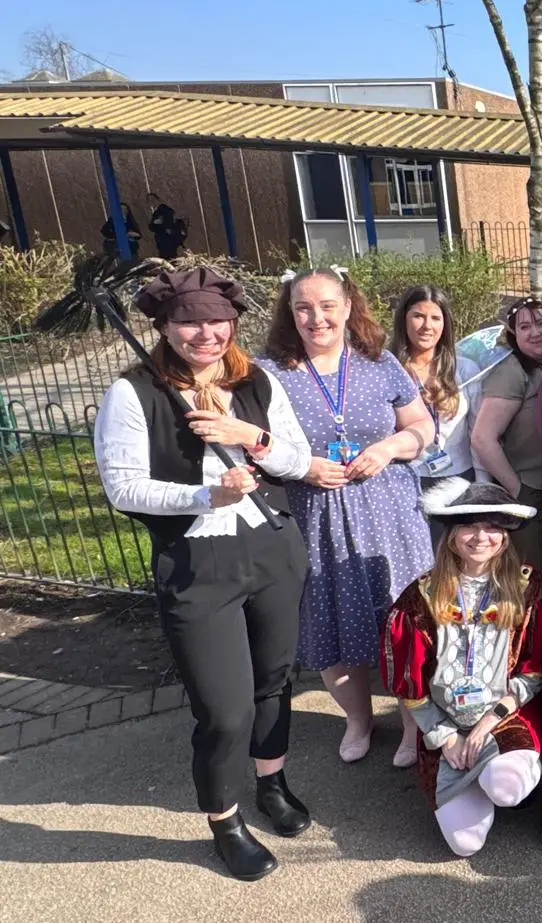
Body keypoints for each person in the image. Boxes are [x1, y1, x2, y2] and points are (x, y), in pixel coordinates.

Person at [93, 268, 312, 881]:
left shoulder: (257, 381)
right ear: (164, 327)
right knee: (224, 710)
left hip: (272, 547)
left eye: (217, 321)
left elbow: (297, 460)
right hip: (197, 562)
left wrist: (251, 438)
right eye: (189, 322)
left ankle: (272, 783)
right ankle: (226, 819)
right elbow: (123, 488)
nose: (206, 333)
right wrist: (205, 496)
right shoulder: (133, 393)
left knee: (273, 680)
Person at [260, 268, 436, 768]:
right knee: (331, 623)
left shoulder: (379, 363)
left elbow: (422, 425)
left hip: (390, 514)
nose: (316, 318)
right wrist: (302, 466)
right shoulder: (268, 373)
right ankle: (358, 719)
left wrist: (389, 447)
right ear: (290, 312)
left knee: (404, 625)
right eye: (303, 308)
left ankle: (412, 724)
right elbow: (251, 443)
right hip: (315, 516)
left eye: (327, 306)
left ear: (347, 306)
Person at [382, 484, 542, 857]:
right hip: (445, 724)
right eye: (468, 526)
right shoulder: (421, 597)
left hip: (504, 719)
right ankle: (473, 777)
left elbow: (534, 671)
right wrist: (447, 739)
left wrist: (488, 722)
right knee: (464, 845)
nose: (480, 537)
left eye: (492, 527)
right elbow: (411, 687)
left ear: (505, 536)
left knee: (508, 789)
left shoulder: (527, 586)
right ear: (452, 535)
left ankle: (493, 774)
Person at [471, 295, 542, 575]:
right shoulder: (511, 372)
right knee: (535, 578)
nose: (535, 332)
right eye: (524, 327)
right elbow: (482, 438)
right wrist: (517, 490)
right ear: (513, 333)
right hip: (533, 493)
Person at [391, 286, 474, 533]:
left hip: (458, 482)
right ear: (403, 320)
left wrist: (481, 485)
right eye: (418, 316)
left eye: (435, 318)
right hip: (404, 481)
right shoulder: (386, 369)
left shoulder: (466, 370)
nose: (427, 326)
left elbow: (478, 432)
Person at [147, 192, 186, 260]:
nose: (152, 202)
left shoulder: (164, 210)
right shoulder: (157, 212)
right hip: (163, 243)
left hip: (167, 242)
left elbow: (166, 225)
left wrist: (157, 224)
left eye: (153, 199)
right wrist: (155, 224)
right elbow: (152, 227)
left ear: (158, 199)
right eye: (149, 201)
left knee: (169, 260)